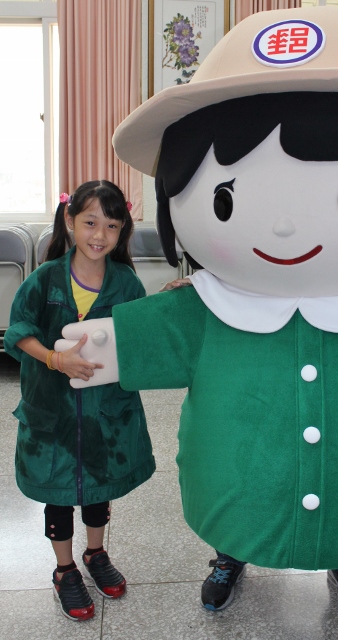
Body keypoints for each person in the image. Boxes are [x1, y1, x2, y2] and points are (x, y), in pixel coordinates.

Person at [55, 7, 338, 621]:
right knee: (235, 500)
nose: (282, 227)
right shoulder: (207, 308)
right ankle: (229, 554)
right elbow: (155, 336)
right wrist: (103, 349)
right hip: (233, 477)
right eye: (225, 197)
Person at [5, 180, 156, 621]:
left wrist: (164, 309)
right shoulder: (44, 279)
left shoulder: (126, 283)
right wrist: (54, 358)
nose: (99, 235)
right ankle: (65, 568)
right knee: (58, 490)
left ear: (122, 230)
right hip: (52, 410)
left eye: (112, 225)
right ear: (70, 221)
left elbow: (139, 339)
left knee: (96, 485)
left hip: (104, 414)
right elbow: (19, 332)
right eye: (90, 222)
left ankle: (95, 554)